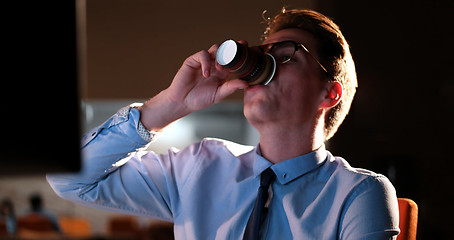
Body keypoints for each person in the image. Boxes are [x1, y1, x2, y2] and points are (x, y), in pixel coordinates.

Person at [47, 9, 400, 239]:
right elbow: (68, 177)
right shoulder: (198, 167)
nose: (265, 70)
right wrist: (171, 104)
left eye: (288, 58)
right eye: (263, 58)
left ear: (329, 93)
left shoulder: (356, 194)